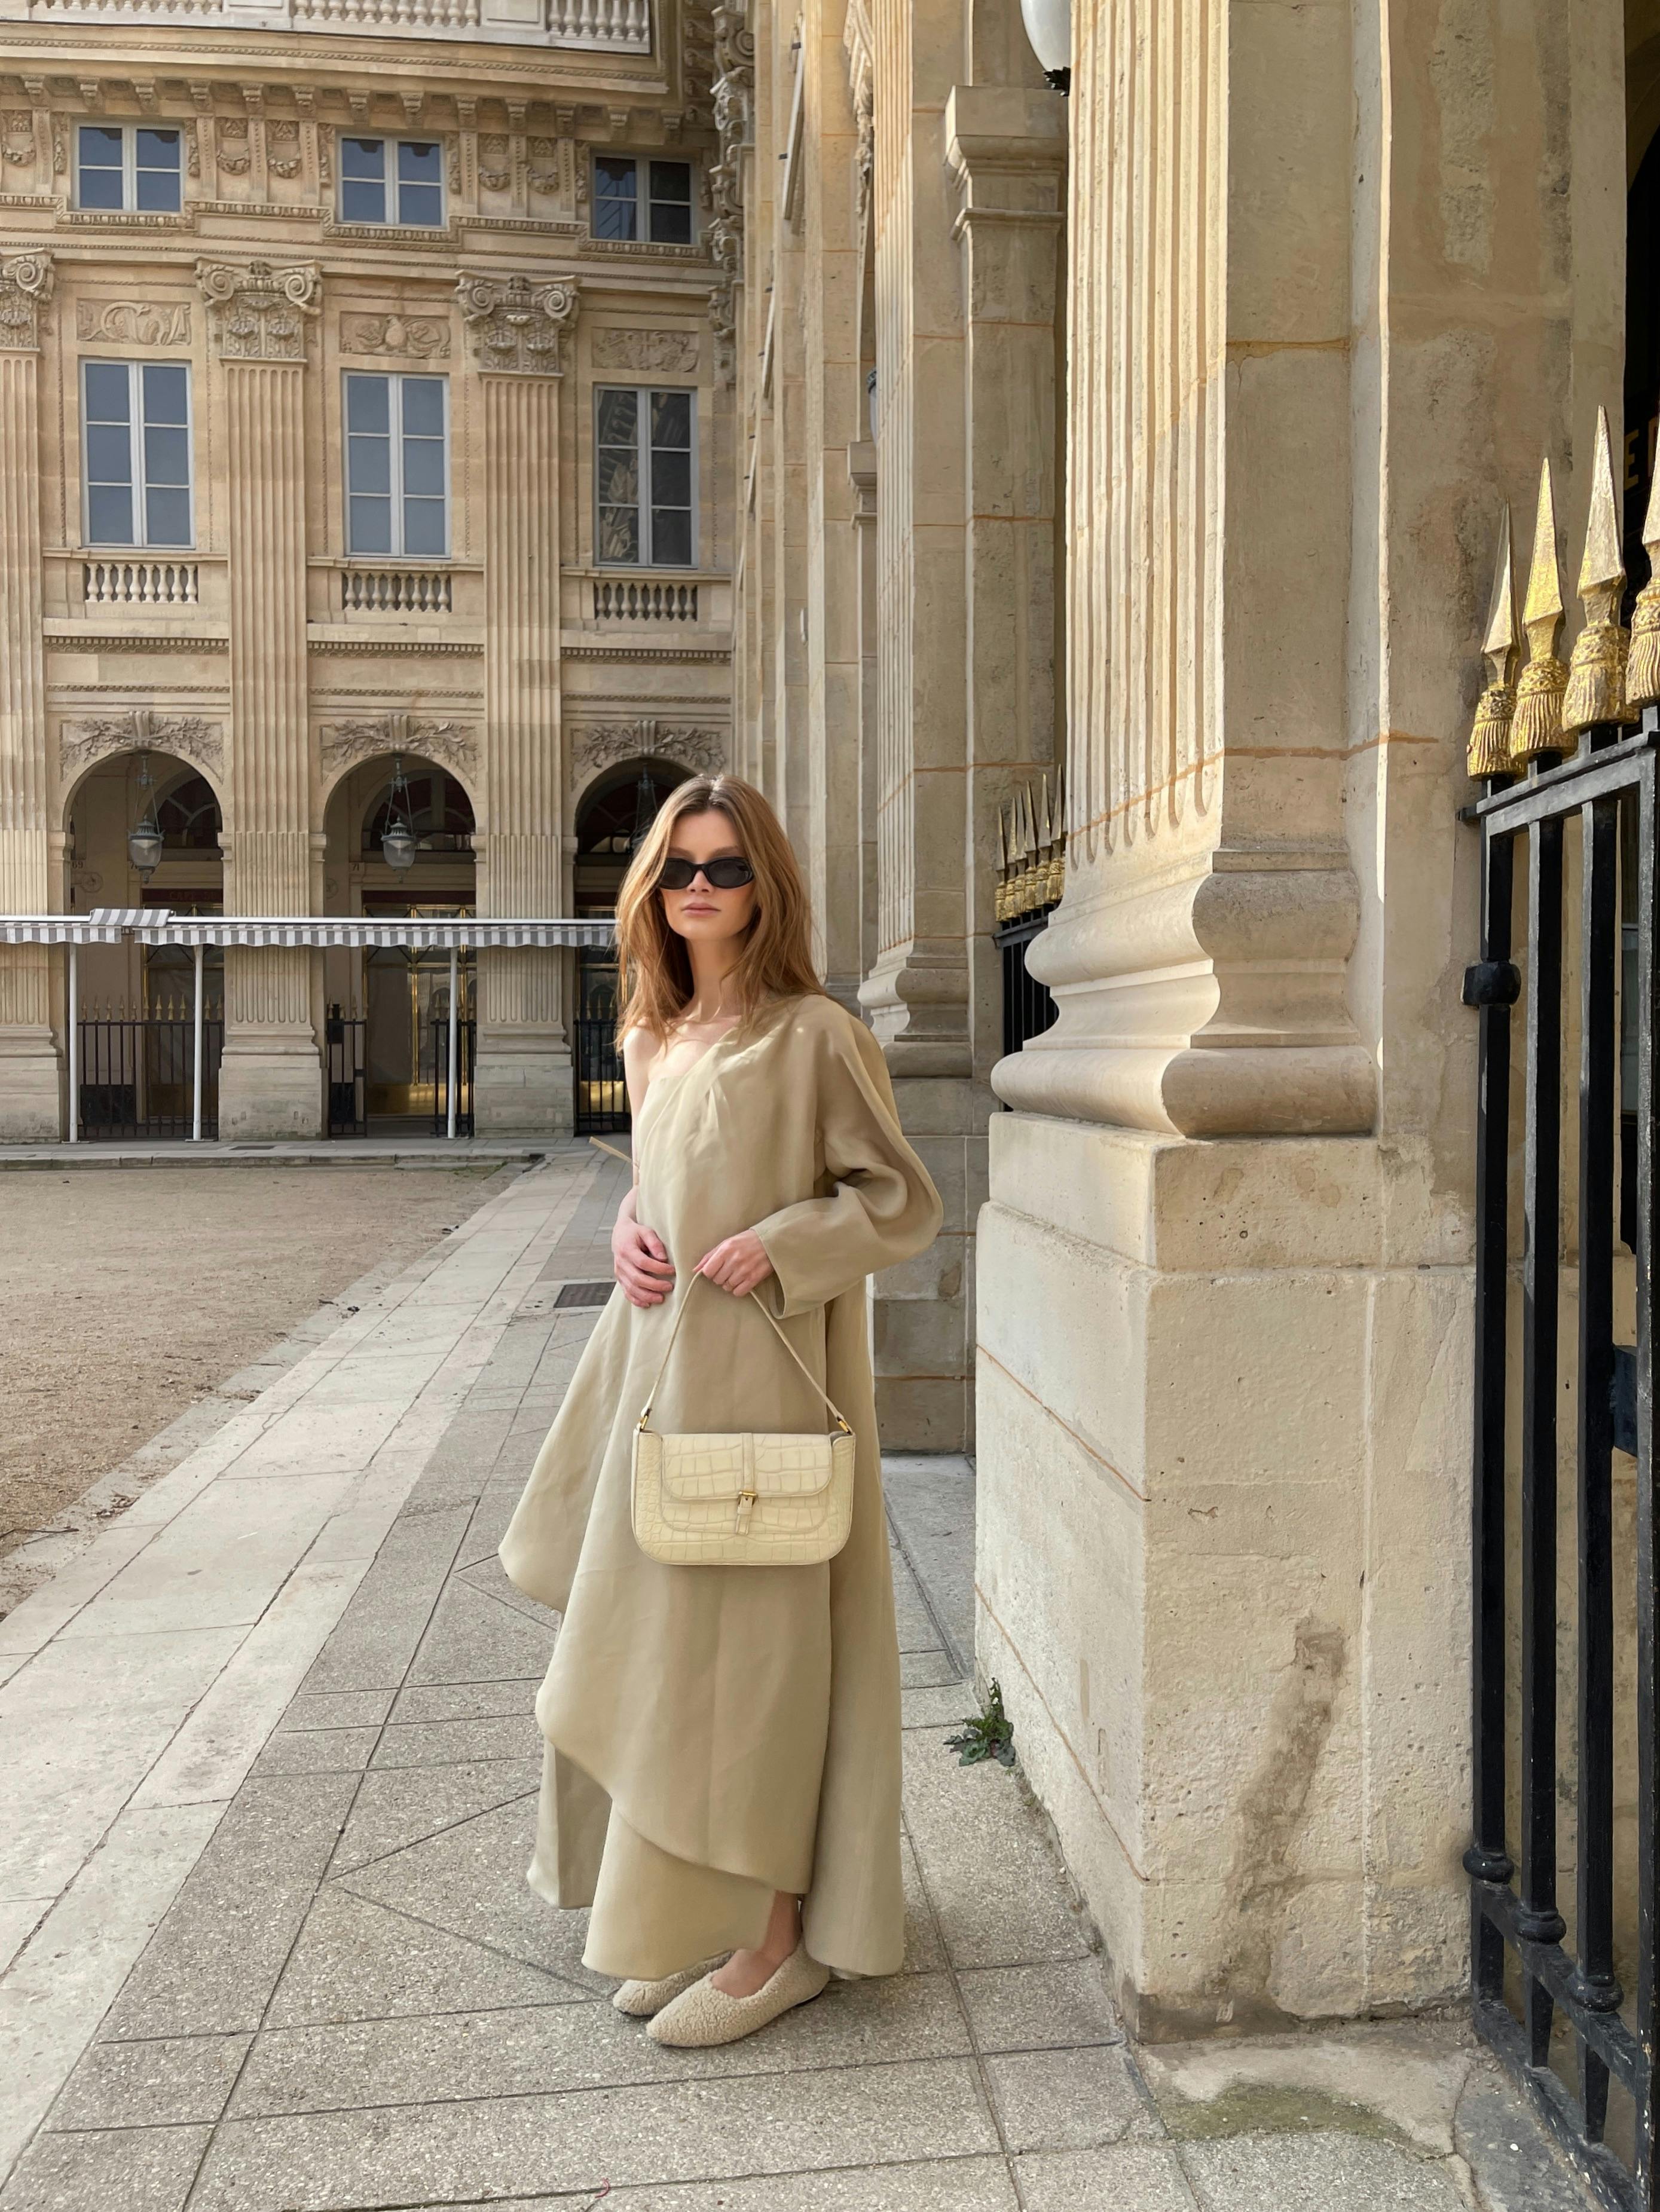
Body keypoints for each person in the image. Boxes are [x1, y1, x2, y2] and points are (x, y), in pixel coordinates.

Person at [500, 774, 941, 2049]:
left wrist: (785, 1242)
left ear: (764, 888)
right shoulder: (651, 1036)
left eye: (727, 867)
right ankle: (689, 1909)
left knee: (756, 1666)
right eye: (680, 867)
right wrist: (629, 1223)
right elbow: (663, 1178)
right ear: (653, 888)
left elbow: (900, 1202)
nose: (701, 887)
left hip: (761, 1389)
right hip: (652, 1375)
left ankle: (777, 1941)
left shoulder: (816, 1034)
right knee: (659, 1654)